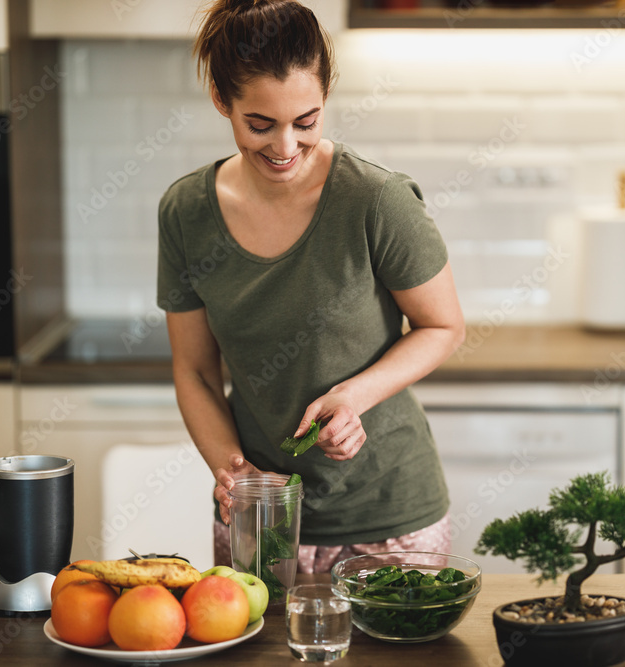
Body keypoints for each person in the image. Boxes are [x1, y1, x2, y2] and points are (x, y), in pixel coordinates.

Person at [157, 0, 465, 574]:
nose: (285, 148)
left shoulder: (376, 201)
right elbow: (195, 370)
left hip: (387, 515)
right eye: (260, 124)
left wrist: (355, 398)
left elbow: (443, 326)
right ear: (222, 101)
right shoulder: (186, 212)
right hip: (261, 519)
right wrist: (233, 473)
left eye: (307, 121)